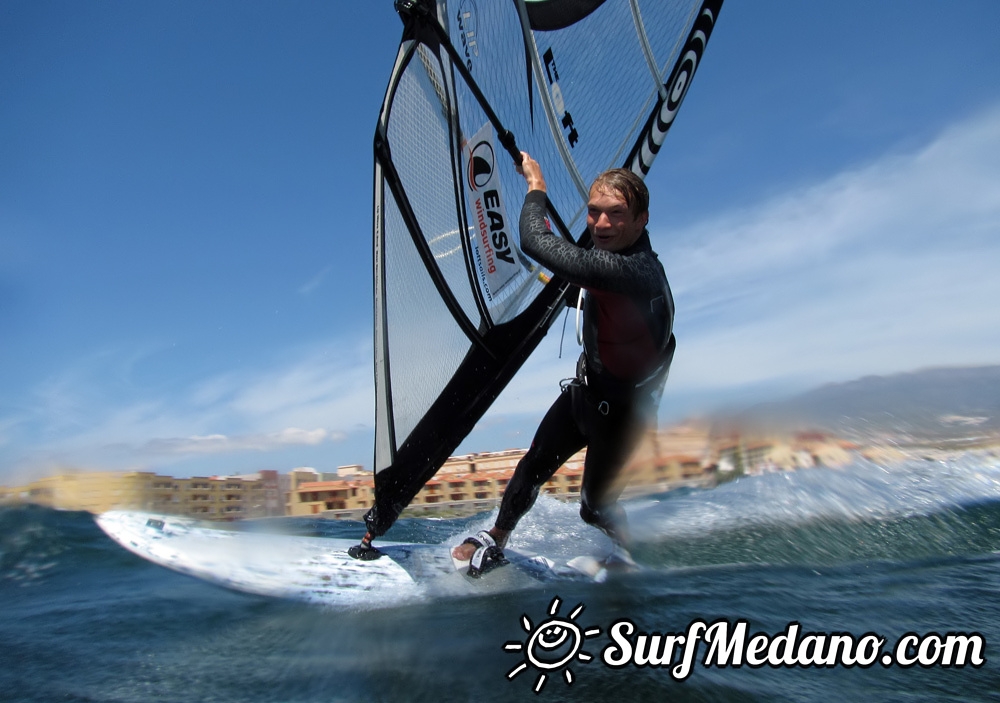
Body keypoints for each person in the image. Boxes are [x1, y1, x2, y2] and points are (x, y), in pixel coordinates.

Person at [452, 152, 675, 576]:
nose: (601, 225)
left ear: (642, 220)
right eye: (594, 212)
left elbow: (536, 241)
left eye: (616, 214)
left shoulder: (633, 272)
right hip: (586, 393)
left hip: (625, 418)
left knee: (593, 508)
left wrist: (536, 184)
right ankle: (498, 534)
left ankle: (624, 546)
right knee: (531, 466)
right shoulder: (609, 264)